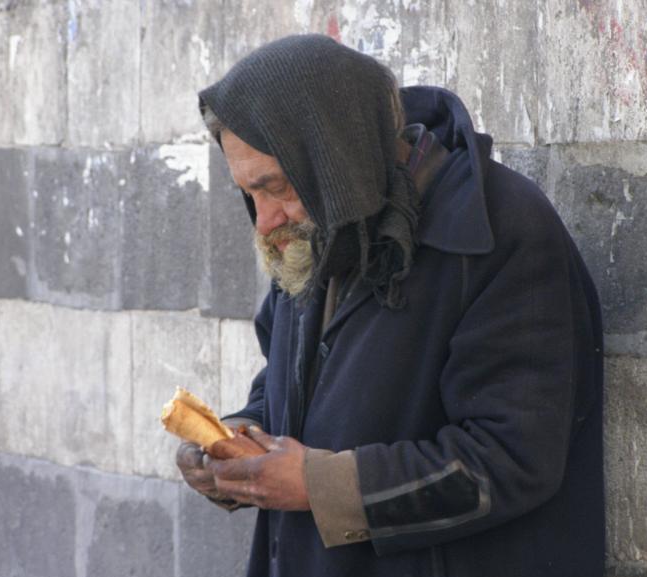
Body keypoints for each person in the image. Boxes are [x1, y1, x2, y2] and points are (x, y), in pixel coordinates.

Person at [176, 34, 604, 577]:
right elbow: (287, 387)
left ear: (332, 157)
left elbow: (512, 458)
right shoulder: (323, 232)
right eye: (249, 193)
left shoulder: (498, 230)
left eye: (276, 187)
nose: (264, 221)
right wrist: (237, 445)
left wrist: (315, 484)